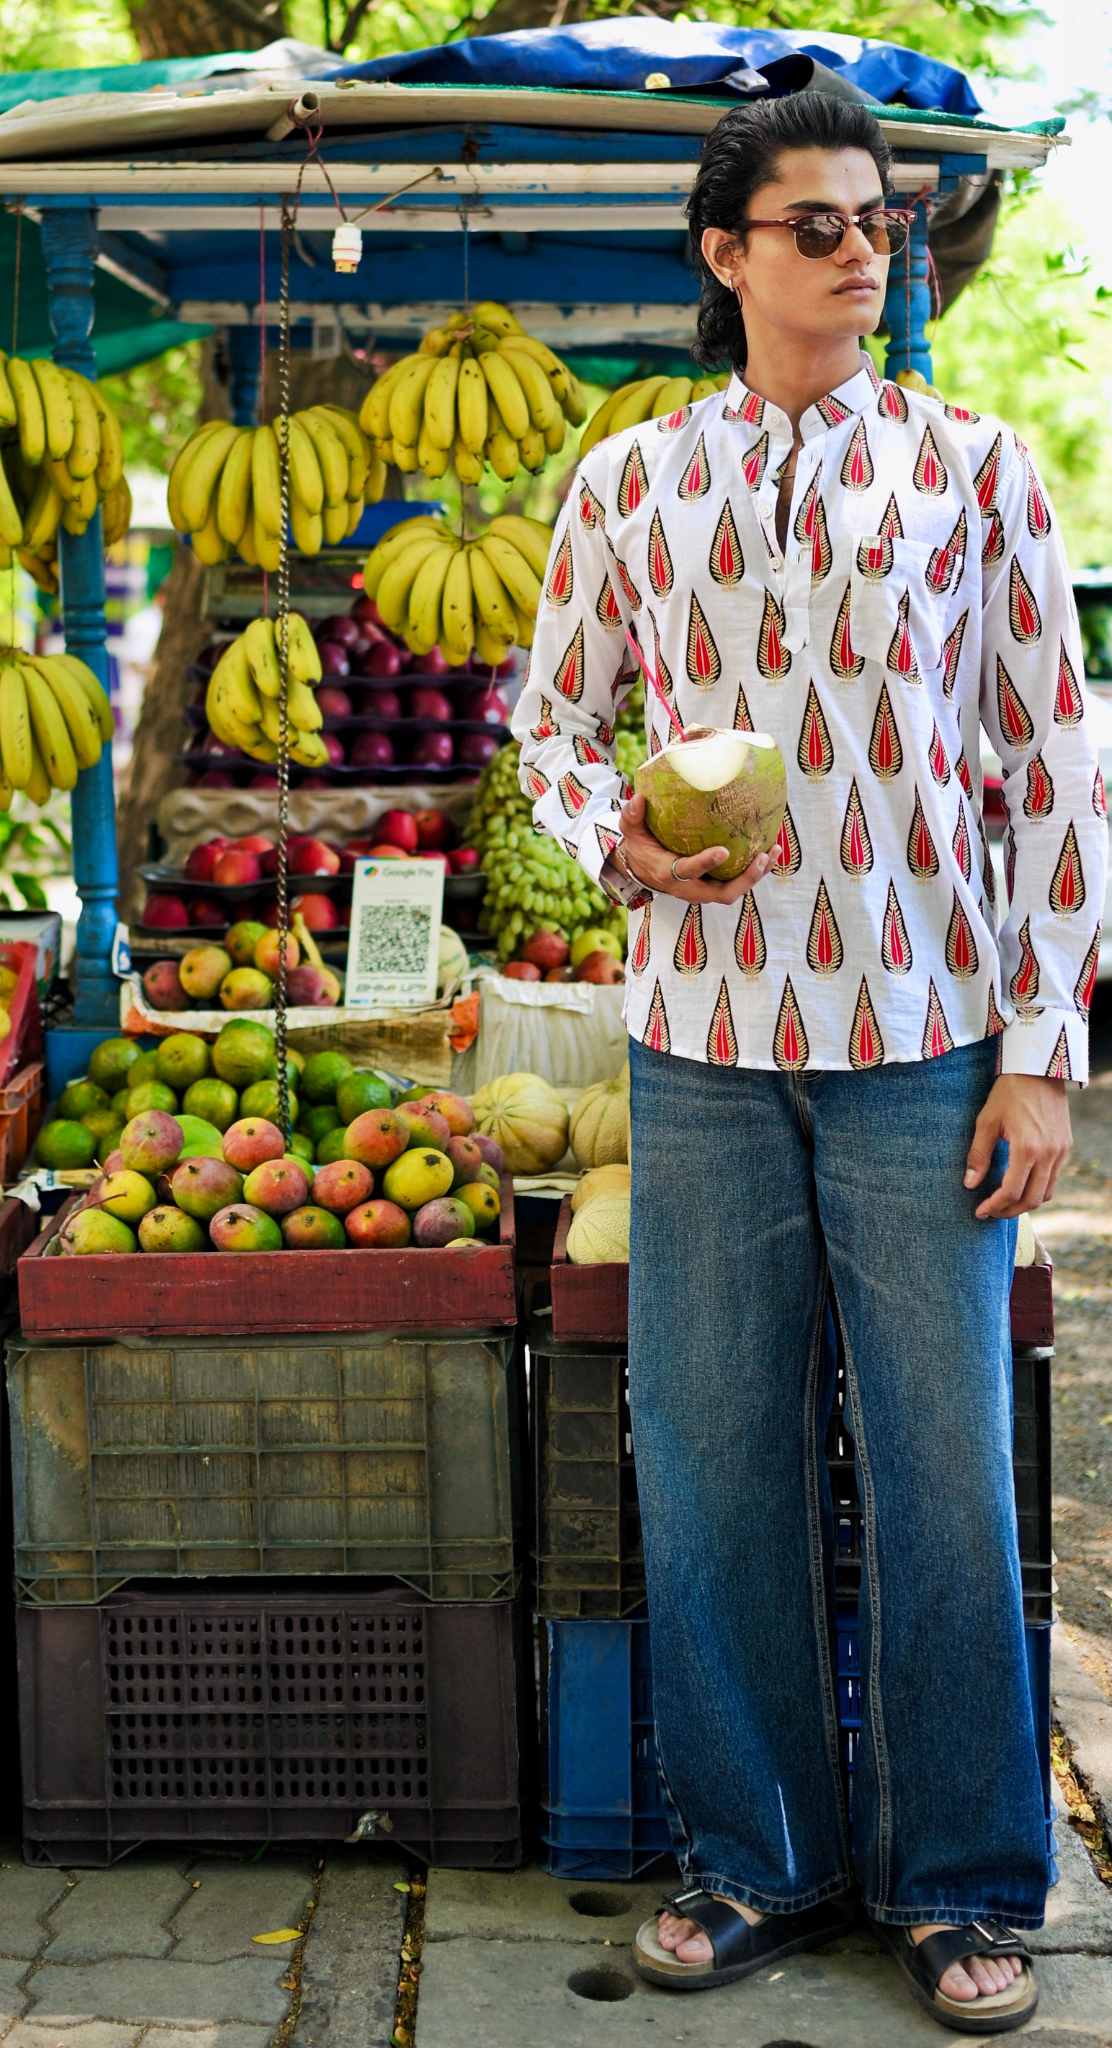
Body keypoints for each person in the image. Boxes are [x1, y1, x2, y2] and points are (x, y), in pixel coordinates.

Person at [514, 90, 1103, 2036]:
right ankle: (757, 1855)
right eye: (818, 222)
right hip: (698, 1046)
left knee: (946, 1479)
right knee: (710, 1465)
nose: (864, 250)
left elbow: (1050, 767)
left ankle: (961, 1886)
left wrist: (1044, 1053)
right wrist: (622, 844)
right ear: (726, 253)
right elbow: (548, 735)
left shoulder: (979, 470)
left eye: (877, 222)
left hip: (923, 1046)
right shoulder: (633, 483)